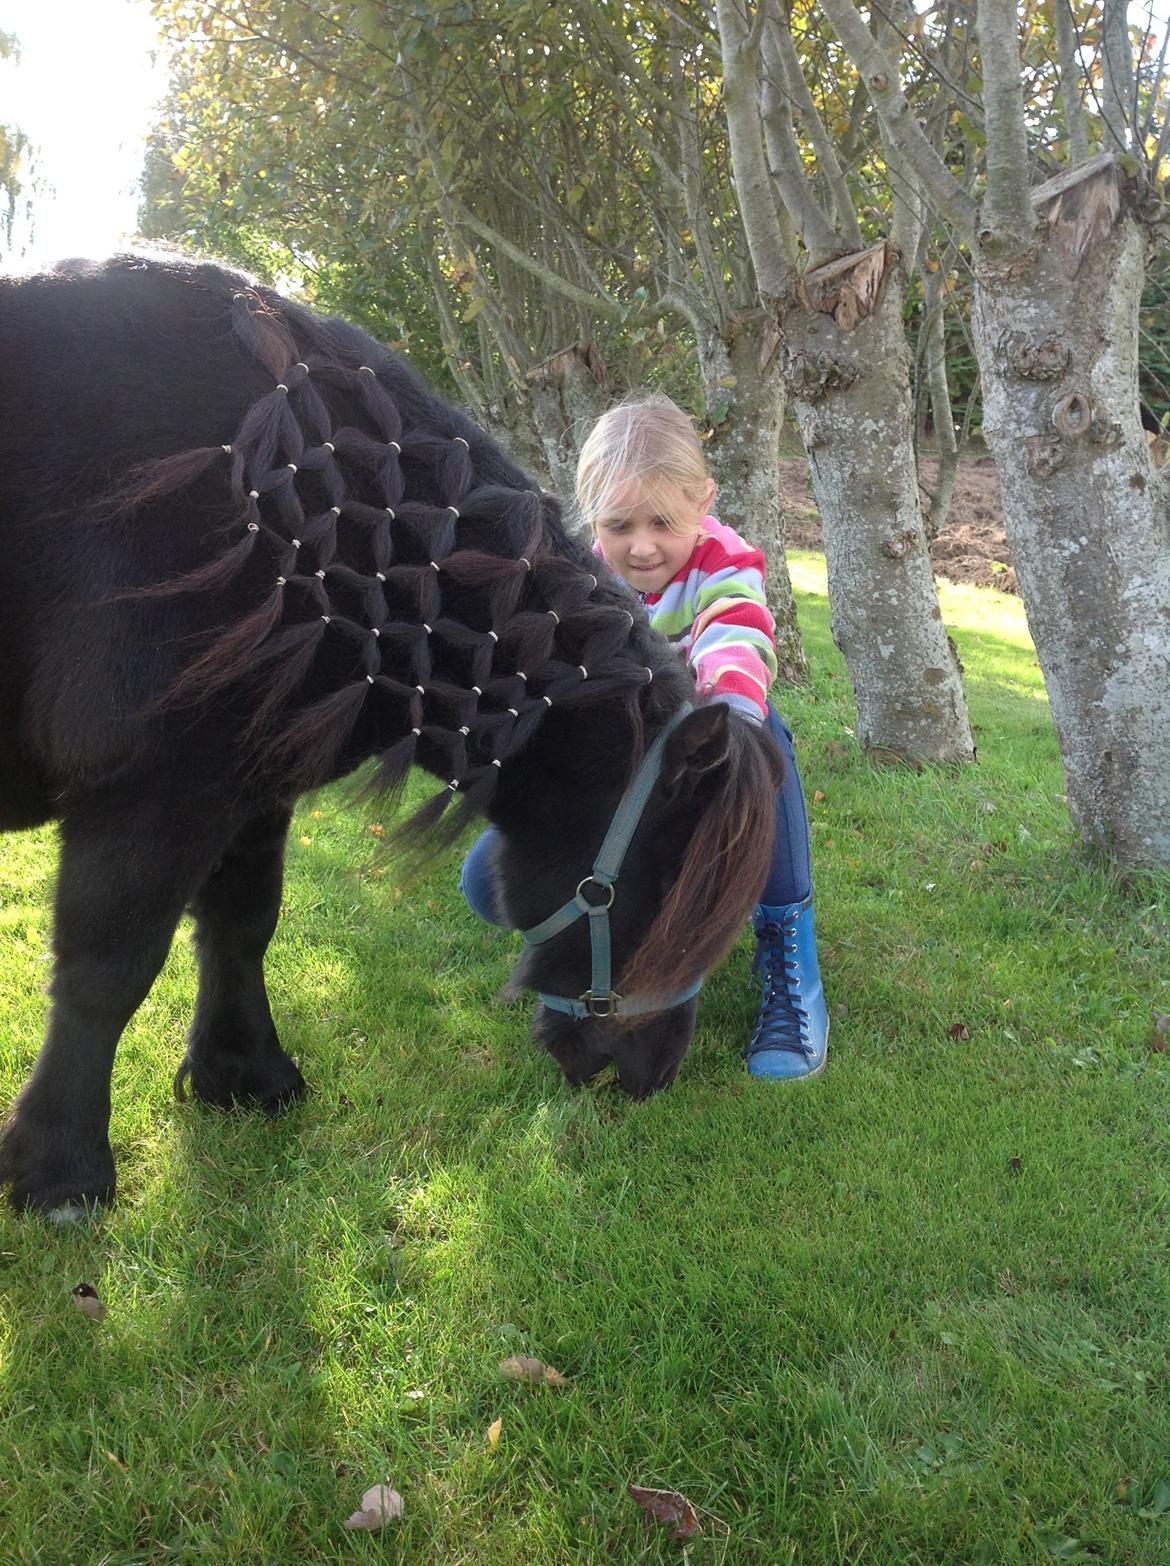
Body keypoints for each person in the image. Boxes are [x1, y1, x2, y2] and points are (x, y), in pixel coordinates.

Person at [460, 394, 828, 1080]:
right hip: (613, 795)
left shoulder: (724, 563)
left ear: (703, 500)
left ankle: (785, 945)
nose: (642, 545)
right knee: (485, 886)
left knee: (758, 740)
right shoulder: (578, 578)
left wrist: (732, 711)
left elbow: (736, 633)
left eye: (663, 521)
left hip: (697, 772)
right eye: (619, 524)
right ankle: (612, 941)